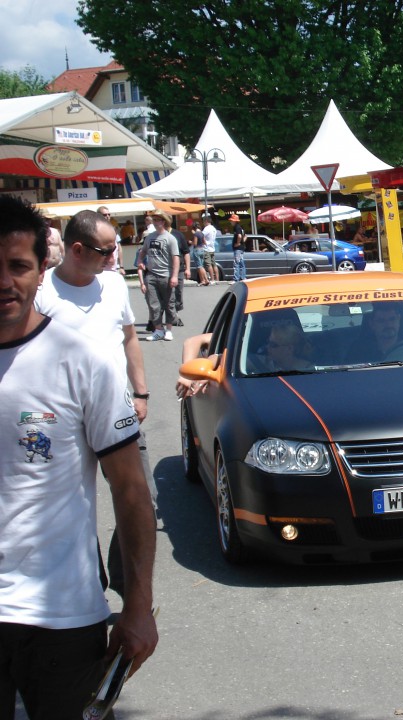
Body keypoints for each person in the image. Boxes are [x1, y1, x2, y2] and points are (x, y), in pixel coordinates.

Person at [0, 196, 158, 717]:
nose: (5, 281)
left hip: (62, 612)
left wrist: (137, 607)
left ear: (39, 268)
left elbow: (131, 490)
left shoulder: (82, 360)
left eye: (18, 266)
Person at [35, 208, 158, 597]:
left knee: (141, 498)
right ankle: (88, 583)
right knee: (69, 505)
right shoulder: (41, 293)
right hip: (60, 415)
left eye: (114, 249)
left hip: (116, 409)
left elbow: (129, 338)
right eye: (105, 251)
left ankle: (126, 584)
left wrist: (140, 392)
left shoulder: (114, 286)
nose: (113, 258)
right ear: (76, 249)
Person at [138, 212, 180, 341]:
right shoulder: (150, 237)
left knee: (169, 303)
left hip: (166, 275)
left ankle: (168, 330)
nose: (155, 222)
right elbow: (143, 251)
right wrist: (140, 261)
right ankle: (158, 330)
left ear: (164, 222)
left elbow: (176, 258)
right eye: (154, 220)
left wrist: (174, 276)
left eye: (158, 220)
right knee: (153, 304)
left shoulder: (170, 238)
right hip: (151, 275)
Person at [169, 218, 190, 321]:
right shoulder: (158, 235)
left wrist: (188, 268)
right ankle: (173, 314)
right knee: (169, 293)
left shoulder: (178, 235)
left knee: (178, 292)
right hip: (166, 269)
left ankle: (176, 310)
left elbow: (186, 252)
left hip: (180, 268)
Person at [97, 206, 125, 274]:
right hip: (100, 269)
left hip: (113, 268)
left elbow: (119, 249)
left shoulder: (113, 230)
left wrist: (121, 266)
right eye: (104, 215)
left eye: (109, 214)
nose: (107, 216)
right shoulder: (95, 230)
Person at [201, 214, 219, 283]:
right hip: (212, 248)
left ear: (206, 221)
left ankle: (212, 279)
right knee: (214, 264)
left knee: (209, 264)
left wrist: (204, 242)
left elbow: (202, 236)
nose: (203, 222)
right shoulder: (213, 228)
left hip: (207, 248)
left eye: (203, 221)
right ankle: (217, 279)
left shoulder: (206, 228)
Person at [192, 221, 210, 285]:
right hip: (202, 249)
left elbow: (195, 243)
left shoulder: (196, 234)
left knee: (199, 267)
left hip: (197, 250)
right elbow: (205, 242)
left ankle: (204, 280)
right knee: (201, 266)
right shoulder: (202, 233)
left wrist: (190, 242)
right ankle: (205, 280)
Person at [230, 213, 246, 281]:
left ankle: (236, 279)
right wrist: (242, 242)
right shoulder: (240, 227)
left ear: (234, 221)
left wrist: (238, 243)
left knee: (236, 263)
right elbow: (245, 236)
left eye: (231, 221)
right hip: (241, 248)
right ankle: (243, 277)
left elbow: (239, 236)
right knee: (241, 263)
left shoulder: (237, 227)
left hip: (238, 249)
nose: (230, 222)